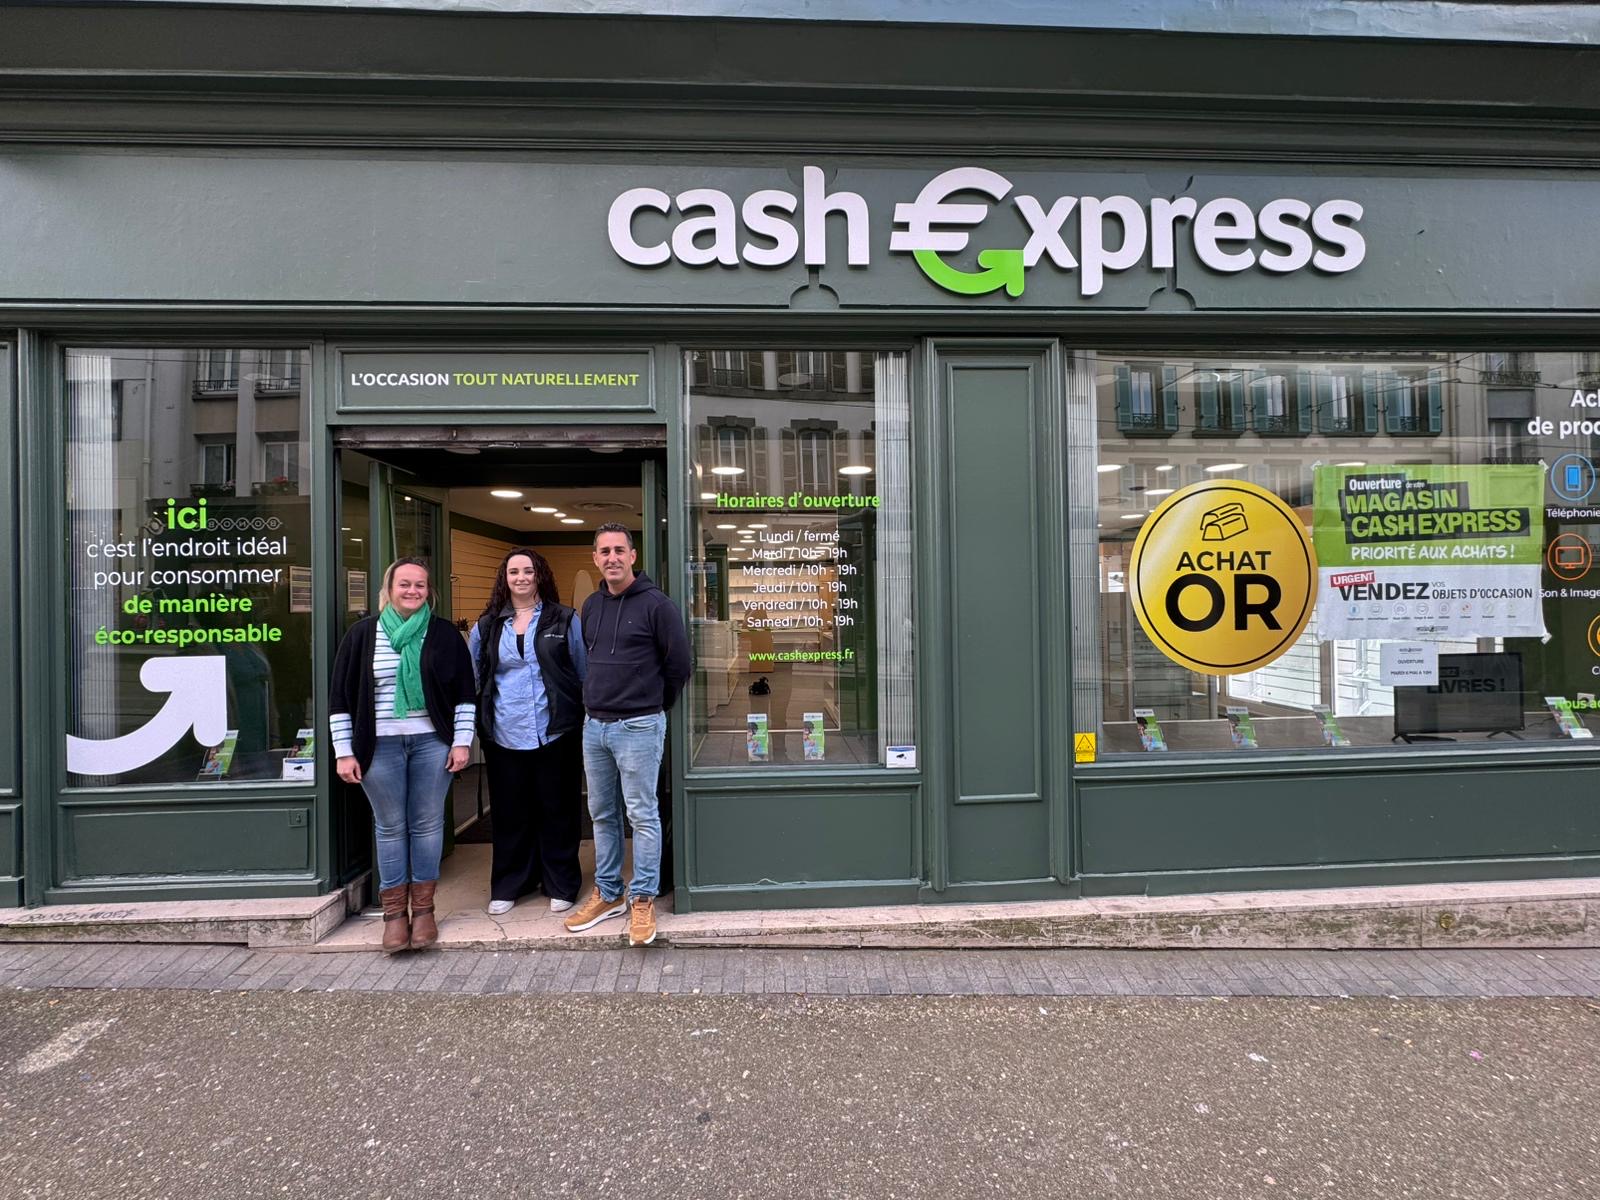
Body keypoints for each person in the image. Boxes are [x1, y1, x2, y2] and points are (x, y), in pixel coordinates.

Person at [330, 558, 474, 953]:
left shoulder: (443, 635)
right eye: (405, 584)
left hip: (432, 743)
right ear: (389, 589)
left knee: (427, 825)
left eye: (420, 585)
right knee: (390, 826)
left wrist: (462, 741)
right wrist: (344, 751)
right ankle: (394, 915)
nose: (413, 591)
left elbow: (465, 693)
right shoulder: (362, 635)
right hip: (379, 746)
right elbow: (340, 698)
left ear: (429, 591)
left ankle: (424, 910)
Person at [563, 523, 691, 947]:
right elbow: (589, 661)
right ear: (595, 558)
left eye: (620, 550)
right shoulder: (591, 605)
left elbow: (679, 666)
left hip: (639, 725)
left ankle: (643, 897)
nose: (612, 557)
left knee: (642, 814)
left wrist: (651, 703)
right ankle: (609, 893)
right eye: (605, 551)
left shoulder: (657, 605)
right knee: (602, 813)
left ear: (633, 556)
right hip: (595, 726)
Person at [467, 547, 587, 918]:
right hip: (504, 733)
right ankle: (511, 883)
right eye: (514, 572)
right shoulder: (487, 626)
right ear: (505, 578)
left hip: (556, 732)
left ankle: (561, 883)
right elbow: (475, 678)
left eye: (528, 571)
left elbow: (581, 672)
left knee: (558, 810)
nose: (521, 578)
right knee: (510, 813)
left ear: (540, 576)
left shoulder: (564, 619)